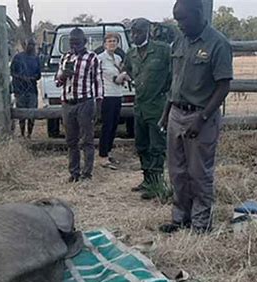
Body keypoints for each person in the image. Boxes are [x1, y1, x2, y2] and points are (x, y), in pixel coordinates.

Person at [159, 0, 233, 233]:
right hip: (176, 114)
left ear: (199, 14)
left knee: (199, 172)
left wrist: (201, 119)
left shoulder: (218, 43)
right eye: (176, 19)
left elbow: (223, 86)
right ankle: (180, 217)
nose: (179, 24)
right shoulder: (179, 41)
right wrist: (165, 114)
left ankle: (201, 223)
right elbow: (175, 83)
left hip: (201, 116)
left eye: (183, 19)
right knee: (177, 171)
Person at [121, 18, 171, 199]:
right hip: (139, 106)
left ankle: (157, 184)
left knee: (157, 146)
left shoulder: (163, 50)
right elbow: (126, 69)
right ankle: (147, 179)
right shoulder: (131, 53)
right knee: (141, 145)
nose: (134, 35)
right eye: (132, 32)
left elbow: (174, 74)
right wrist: (123, 75)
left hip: (157, 106)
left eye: (138, 32)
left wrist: (167, 95)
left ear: (147, 31)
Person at [55, 28, 104, 182]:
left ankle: (87, 174)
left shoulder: (92, 58)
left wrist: (99, 102)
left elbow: (98, 81)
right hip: (68, 103)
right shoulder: (65, 58)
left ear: (84, 42)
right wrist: (63, 75)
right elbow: (57, 82)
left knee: (87, 140)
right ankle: (74, 172)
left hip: (85, 102)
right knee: (71, 140)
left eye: (77, 43)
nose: (74, 46)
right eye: (71, 43)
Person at [97, 33, 124, 170]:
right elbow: (115, 78)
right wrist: (123, 76)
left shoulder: (118, 58)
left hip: (118, 94)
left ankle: (108, 152)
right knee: (106, 126)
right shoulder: (100, 58)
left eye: (114, 41)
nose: (112, 43)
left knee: (114, 126)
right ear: (104, 44)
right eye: (109, 41)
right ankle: (102, 156)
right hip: (106, 95)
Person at [10, 37, 41, 139]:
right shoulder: (18, 57)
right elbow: (12, 72)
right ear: (25, 45)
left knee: (32, 113)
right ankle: (22, 133)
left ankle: (29, 134)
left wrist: (32, 78)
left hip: (32, 90)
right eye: (29, 44)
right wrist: (22, 78)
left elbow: (39, 75)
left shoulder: (36, 58)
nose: (31, 47)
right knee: (21, 114)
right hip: (20, 90)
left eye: (33, 45)